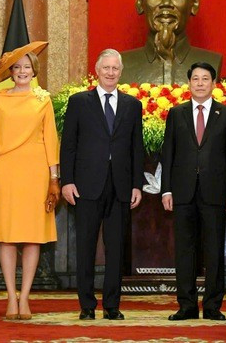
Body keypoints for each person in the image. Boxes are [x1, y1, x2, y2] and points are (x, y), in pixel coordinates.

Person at [0, 41, 60, 320]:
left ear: (34, 70)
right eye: (17, 67)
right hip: (5, 173)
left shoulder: (43, 99)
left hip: (36, 174)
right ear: (11, 72)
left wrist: (54, 179)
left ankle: (25, 298)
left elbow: (51, 140)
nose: (22, 71)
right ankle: (11, 297)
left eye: (27, 67)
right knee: (8, 238)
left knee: (33, 238)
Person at [60, 48, 145, 320]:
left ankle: (112, 305)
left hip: (120, 186)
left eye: (115, 69)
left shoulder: (132, 105)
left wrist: (136, 185)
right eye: (106, 68)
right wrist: (67, 181)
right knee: (85, 246)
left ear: (121, 72)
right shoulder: (78, 102)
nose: (110, 73)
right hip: (85, 185)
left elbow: (136, 148)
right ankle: (86, 305)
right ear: (97, 70)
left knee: (116, 248)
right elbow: (69, 146)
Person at [160, 61, 226, 321]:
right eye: (196, 78)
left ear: (214, 84)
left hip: (215, 192)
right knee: (185, 250)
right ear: (189, 83)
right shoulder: (176, 113)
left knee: (214, 250)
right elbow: (168, 155)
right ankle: (187, 305)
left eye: (206, 79)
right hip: (182, 192)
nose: (201, 83)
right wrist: (166, 190)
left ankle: (213, 306)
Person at [120, 0, 222, 84]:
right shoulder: (120, 65)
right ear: (140, 1)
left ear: (194, 2)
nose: (166, 2)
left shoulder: (212, 62)